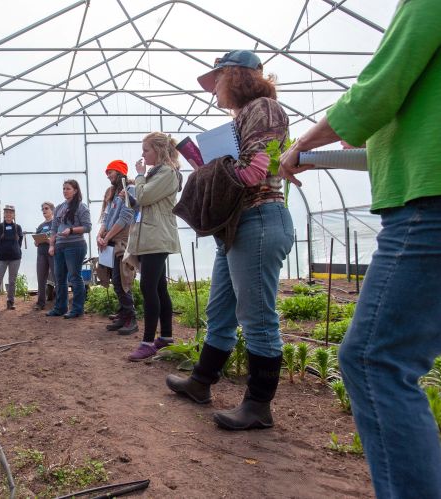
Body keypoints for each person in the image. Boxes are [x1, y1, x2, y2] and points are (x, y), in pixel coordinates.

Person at [278, 2, 441, 495]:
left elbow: (376, 94)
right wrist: (321, 156)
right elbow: (398, 141)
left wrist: (302, 144)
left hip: (426, 205)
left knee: (375, 359)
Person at [166, 50, 294, 431]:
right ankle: (201, 383)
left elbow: (259, 169)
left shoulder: (265, 109)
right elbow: (242, 167)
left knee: (257, 319)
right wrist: (210, 169)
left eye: (217, 82)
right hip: (238, 226)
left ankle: (258, 405)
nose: (214, 92)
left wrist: (215, 171)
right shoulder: (245, 117)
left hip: (259, 220)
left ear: (235, 76)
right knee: (220, 311)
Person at [124, 133, 182, 361]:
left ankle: (148, 341)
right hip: (150, 237)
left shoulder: (167, 172)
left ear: (159, 150)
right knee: (159, 288)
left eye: (146, 149)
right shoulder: (156, 173)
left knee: (148, 288)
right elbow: (140, 199)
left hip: (157, 238)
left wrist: (138, 178)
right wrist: (133, 188)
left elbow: (145, 196)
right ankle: (166, 337)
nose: (143, 154)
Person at [96, 160, 138, 335]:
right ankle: (123, 314)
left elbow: (125, 218)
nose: (108, 175)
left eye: (110, 172)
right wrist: (100, 235)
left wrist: (107, 237)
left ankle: (131, 319)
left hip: (123, 241)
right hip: (112, 241)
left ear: (120, 171)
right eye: (107, 173)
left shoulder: (130, 190)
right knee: (116, 280)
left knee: (123, 280)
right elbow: (107, 218)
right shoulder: (114, 194)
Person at [47, 180, 92, 319]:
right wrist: (52, 245)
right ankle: (60, 307)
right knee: (59, 278)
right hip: (60, 246)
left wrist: (71, 230)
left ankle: (77, 309)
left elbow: (87, 227)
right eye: (63, 188)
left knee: (74, 277)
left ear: (75, 190)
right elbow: (54, 228)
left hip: (75, 246)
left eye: (68, 188)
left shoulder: (81, 207)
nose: (65, 191)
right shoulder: (60, 207)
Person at [0, 205, 23, 311]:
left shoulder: (18, 227)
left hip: (15, 258)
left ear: (14, 215)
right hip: (1, 258)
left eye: (11, 212)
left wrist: (16, 248)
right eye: (6, 212)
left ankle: (10, 302)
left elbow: (20, 239)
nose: (8, 214)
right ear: (4, 214)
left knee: (12, 281)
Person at [33, 201, 56, 311]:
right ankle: (40, 302)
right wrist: (37, 242)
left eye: (46, 208)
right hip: (41, 254)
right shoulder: (41, 226)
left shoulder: (56, 224)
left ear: (52, 210)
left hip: (53, 254)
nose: (44, 211)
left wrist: (49, 241)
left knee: (57, 278)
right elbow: (36, 241)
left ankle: (60, 302)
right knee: (41, 279)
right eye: (42, 209)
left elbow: (59, 239)